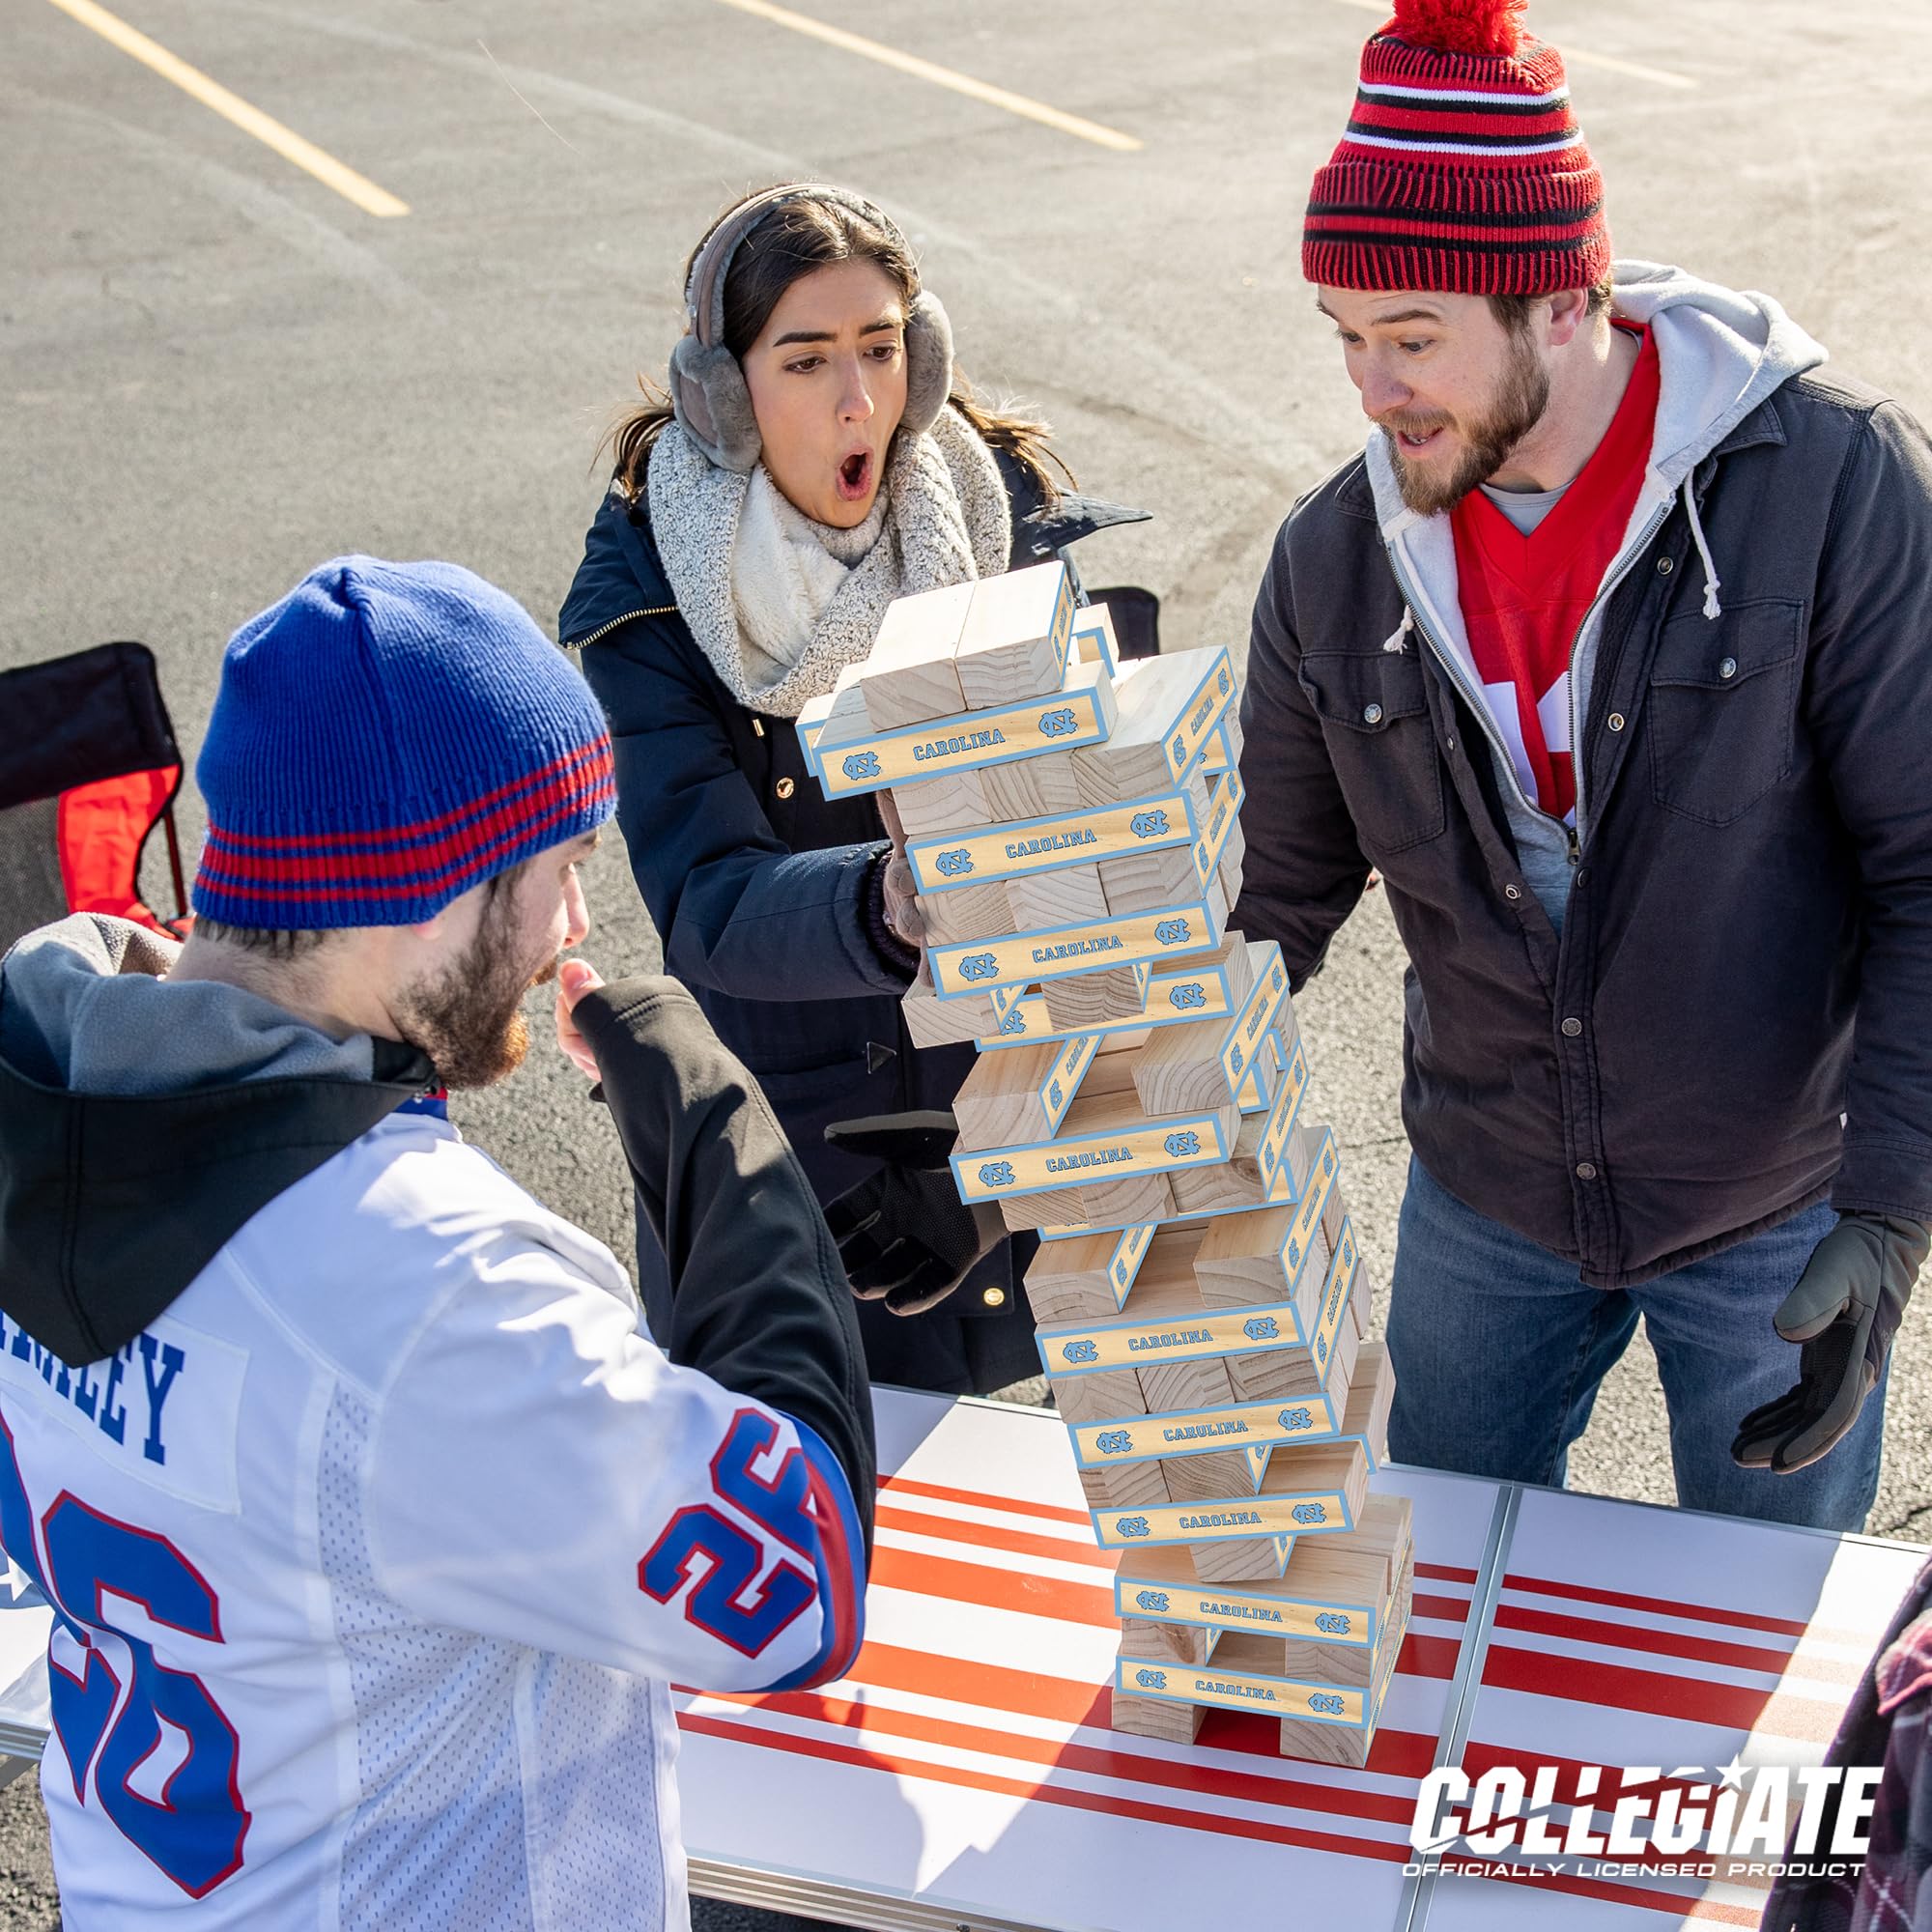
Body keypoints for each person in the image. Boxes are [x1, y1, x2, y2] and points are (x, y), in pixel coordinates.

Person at [0, 556, 871, 1927]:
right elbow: (794, 1583)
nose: (574, 928)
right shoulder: (429, 1286)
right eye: (561, 868)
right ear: (432, 885)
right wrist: (719, 1124)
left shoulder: (42, 1120)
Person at [1234, 0, 1932, 1530]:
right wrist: (1072, 1111)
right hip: (1481, 1205)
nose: (1370, 390)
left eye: (1411, 338)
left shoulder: (1830, 491)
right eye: (1346, 337)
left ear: (1563, 303)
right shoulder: (1337, 562)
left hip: (1770, 1214)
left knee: (1762, 1668)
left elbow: (1925, 869)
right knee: (1442, 1614)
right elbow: (1266, 908)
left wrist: (1887, 1214)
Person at [560, 181, 1145, 1397]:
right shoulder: (652, 599)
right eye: (806, 359)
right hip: (799, 1167)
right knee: (822, 1529)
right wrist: (889, 900)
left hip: (1013, 1138)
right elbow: (708, 903)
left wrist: (997, 1174)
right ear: (724, 393)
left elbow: (1099, 876)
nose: (856, 400)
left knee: (1035, 1539)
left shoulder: (1000, 520)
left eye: (880, 350)